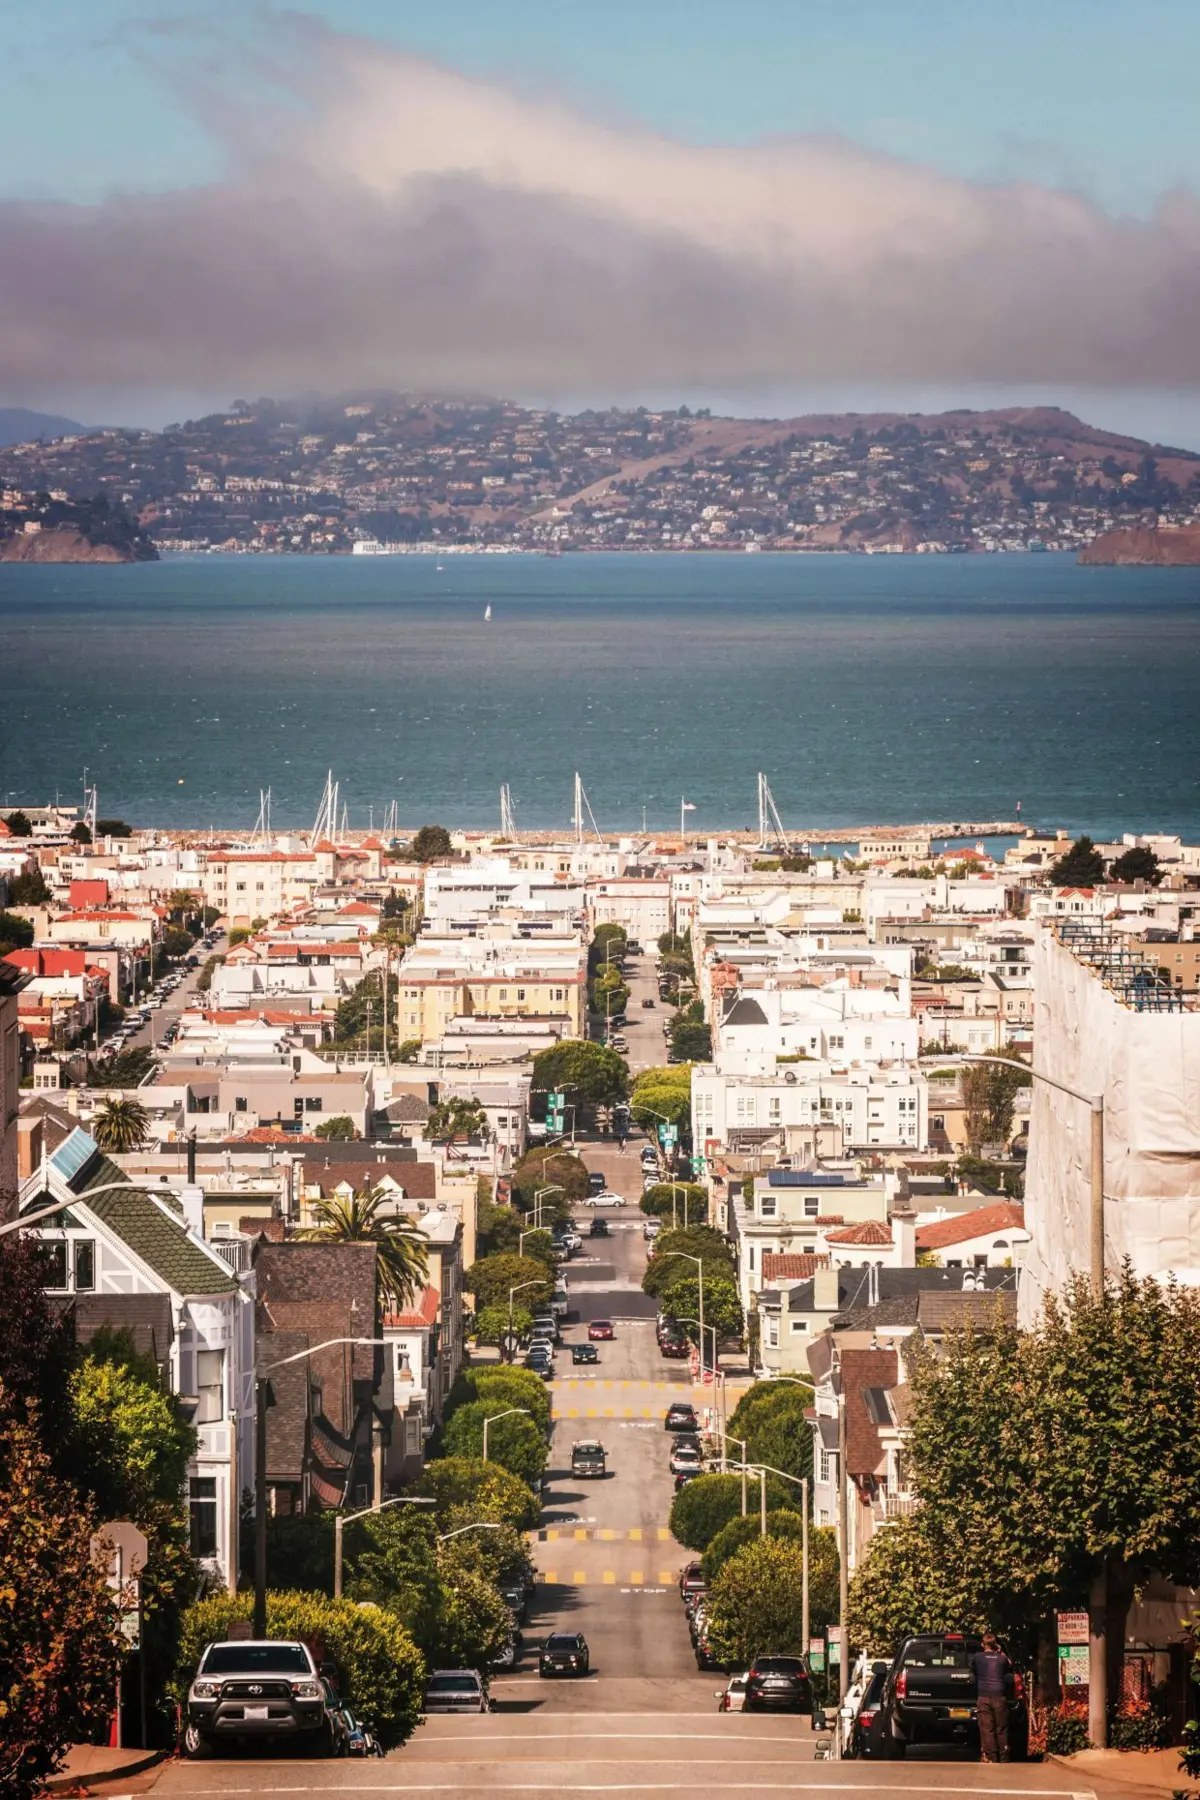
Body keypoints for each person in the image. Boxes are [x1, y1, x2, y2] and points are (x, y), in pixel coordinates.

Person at [972, 1631, 1013, 1763]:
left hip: (983, 1695)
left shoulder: (977, 1657)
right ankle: (1004, 1755)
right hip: (999, 1696)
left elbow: (972, 1670)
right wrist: (1000, 1652)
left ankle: (991, 1756)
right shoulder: (1001, 1659)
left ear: (982, 1644)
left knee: (987, 1728)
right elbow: (1010, 1665)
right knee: (1001, 1727)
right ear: (995, 1645)